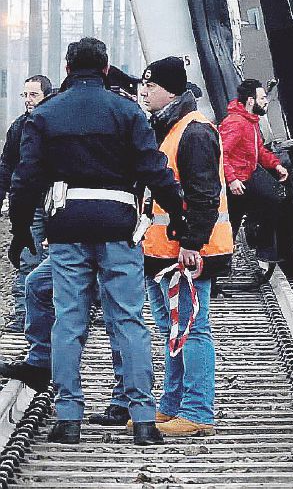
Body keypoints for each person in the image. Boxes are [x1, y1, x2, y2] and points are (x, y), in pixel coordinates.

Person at [7, 38, 186, 446]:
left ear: (67, 68)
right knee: (128, 319)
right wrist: (177, 214)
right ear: (106, 70)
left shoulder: (46, 113)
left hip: (67, 225)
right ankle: (142, 420)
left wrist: (20, 229)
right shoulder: (127, 111)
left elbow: (26, 176)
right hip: (118, 225)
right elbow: (155, 169)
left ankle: (69, 418)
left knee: (69, 319)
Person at [137, 57, 232, 437]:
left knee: (192, 329)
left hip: (187, 253)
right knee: (173, 330)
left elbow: (205, 193)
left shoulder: (193, 132)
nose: (145, 92)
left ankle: (197, 411)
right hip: (162, 251)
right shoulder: (171, 128)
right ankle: (171, 405)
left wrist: (192, 243)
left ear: (171, 90)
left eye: (151, 85)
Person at [218, 79, 289, 280]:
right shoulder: (235, 123)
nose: (266, 101)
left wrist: (275, 165)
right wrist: (231, 180)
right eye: (263, 98)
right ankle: (217, 273)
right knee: (229, 225)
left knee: (272, 200)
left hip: (245, 178)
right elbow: (221, 153)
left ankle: (261, 249)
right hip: (236, 183)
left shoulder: (249, 122)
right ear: (251, 101)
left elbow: (259, 151)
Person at [1, 75, 54, 332]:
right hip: (31, 203)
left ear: (47, 95)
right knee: (29, 258)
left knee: (66, 258)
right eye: (25, 95)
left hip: (56, 202)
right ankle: (23, 314)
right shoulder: (19, 126)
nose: (28, 100)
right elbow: (7, 165)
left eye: (33, 95)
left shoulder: (56, 122)